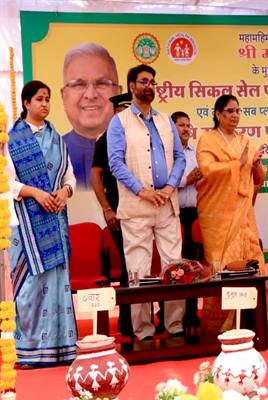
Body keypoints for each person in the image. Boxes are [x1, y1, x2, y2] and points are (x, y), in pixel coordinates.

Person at [107, 64, 185, 341]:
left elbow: (180, 157)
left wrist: (169, 186)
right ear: (132, 86)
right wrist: (143, 191)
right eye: (144, 81)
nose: (149, 86)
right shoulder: (119, 122)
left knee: (174, 267)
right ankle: (143, 332)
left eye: (152, 81)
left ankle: (174, 326)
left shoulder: (165, 121)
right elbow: (115, 163)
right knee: (138, 271)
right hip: (136, 206)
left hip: (166, 204)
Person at [8, 80, 77, 366]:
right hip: (25, 224)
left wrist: (65, 192)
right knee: (30, 284)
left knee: (57, 282)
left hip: (55, 220)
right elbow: (7, 182)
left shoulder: (57, 139)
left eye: (48, 99)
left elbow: (69, 177)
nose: (45, 104)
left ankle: (60, 349)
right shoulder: (11, 140)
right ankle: (29, 350)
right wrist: (35, 193)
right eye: (39, 99)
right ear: (26, 103)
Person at [196, 94, 266, 337]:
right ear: (218, 114)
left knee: (253, 261)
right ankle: (220, 329)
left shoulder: (245, 140)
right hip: (217, 216)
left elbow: (258, 177)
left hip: (243, 214)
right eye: (230, 111)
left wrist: (255, 164)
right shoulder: (208, 139)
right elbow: (207, 169)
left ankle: (251, 323)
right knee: (223, 265)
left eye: (238, 111)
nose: (235, 115)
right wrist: (239, 163)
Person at [90, 92, 133, 337]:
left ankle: (145, 319)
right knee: (129, 265)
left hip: (141, 208)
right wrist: (107, 208)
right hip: (117, 208)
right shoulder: (105, 139)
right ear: (115, 112)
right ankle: (127, 322)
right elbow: (96, 176)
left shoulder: (139, 136)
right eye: (122, 110)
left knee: (142, 266)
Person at [61, 43, 121, 189]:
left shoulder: (134, 145)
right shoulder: (53, 150)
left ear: (118, 93)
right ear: (64, 95)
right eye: (79, 85)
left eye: (102, 84)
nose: (90, 95)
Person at [172, 111, 201, 260]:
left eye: (188, 126)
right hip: (174, 213)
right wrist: (187, 180)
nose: (186, 129)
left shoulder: (196, 153)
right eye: (182, 125)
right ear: (172, 127)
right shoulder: (166, 153)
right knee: (177, 256)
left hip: (196, 213)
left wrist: (200, 177)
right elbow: (163, 181)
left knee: (196, 257)